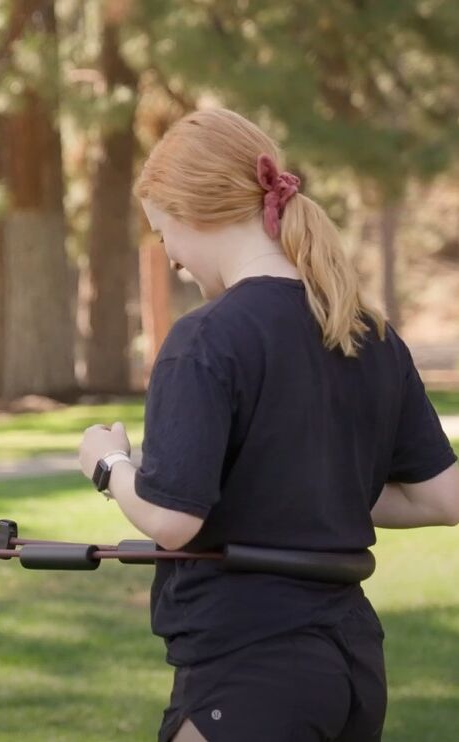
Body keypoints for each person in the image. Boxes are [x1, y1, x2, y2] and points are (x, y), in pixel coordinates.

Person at [77, 108, 458, 742]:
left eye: (162, 233)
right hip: (352, 667)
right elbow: (443, 497)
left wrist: (110, 465)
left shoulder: (205, 339)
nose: (169, 259)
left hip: (250, 668)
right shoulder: (369, 332)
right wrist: (318, 491)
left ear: (192, 213)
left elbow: (173, 523)